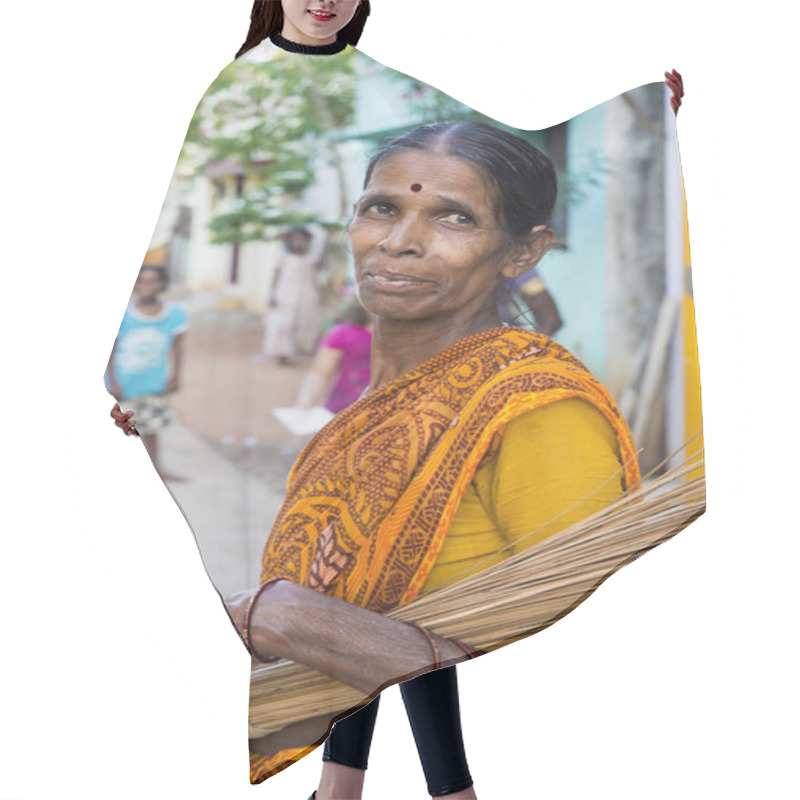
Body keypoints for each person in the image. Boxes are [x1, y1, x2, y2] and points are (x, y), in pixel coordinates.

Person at [109, 3, 685, 795]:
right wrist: (134, 390)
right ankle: (344, 786)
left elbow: (556, 616)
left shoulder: (538, 411)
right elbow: (368, 599)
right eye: (384, 207)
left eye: (452, 216)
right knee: (363, 587)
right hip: (383, 629)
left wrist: (647, 105)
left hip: (452, 644)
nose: (400, 241)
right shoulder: (376, 408)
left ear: (522, 251)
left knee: (372, 600)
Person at [106, 265, 188, 481]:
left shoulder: (175, 314)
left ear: (163, 284)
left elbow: (178, 348)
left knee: (152, 429)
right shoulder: (123, 314)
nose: (147, 286)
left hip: (154, 383)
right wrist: (112, 381)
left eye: (153, 281)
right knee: (124, 429)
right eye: (142, 281)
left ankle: (156, 470)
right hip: (124, 385)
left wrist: (175, 376)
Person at [295, 299, 372, 413]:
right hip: (344, 407)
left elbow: (322, 371)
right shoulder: (342, 334)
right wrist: (307, 401)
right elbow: (322, 371)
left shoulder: (399, 338)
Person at [264, 226, 323, 366]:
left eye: (301, 239)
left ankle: (297, 351)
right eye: (295, 238)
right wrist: (271, 295)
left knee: (303, 321)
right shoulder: (283, 257)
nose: (298, 241)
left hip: (306, 293)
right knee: (284, 322)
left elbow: (318, 273)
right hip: (285, 292)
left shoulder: (311, 258)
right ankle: (282, 353)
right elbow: (275, 276)